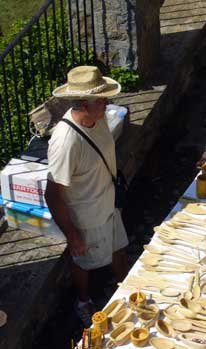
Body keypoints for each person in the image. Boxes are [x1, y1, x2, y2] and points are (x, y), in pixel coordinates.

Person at [45, 66, 129, 327]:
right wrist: (72, 234)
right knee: (83, 260)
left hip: (108, 202)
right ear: (82, 104)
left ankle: (127, 285)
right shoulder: (66, 142)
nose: (107, 102)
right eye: (101, 99)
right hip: (87, 215)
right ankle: (82, 301)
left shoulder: (99, 116)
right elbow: (52, 193)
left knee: (118, 246)